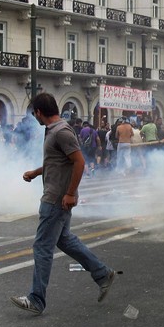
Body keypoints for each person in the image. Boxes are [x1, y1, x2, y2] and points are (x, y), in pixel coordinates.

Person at [10, 93, 115, 315]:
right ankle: (102, 273)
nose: (34, 117)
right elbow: (57, 161)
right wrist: (37, 172)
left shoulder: (61, 131)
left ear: (39, 112)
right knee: (65, 241)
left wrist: (69, 193)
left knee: (42, 247)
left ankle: (36, 299)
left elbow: (79, 162)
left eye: (34, 113)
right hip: (56, 195)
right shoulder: (54, 130)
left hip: (56, 199)